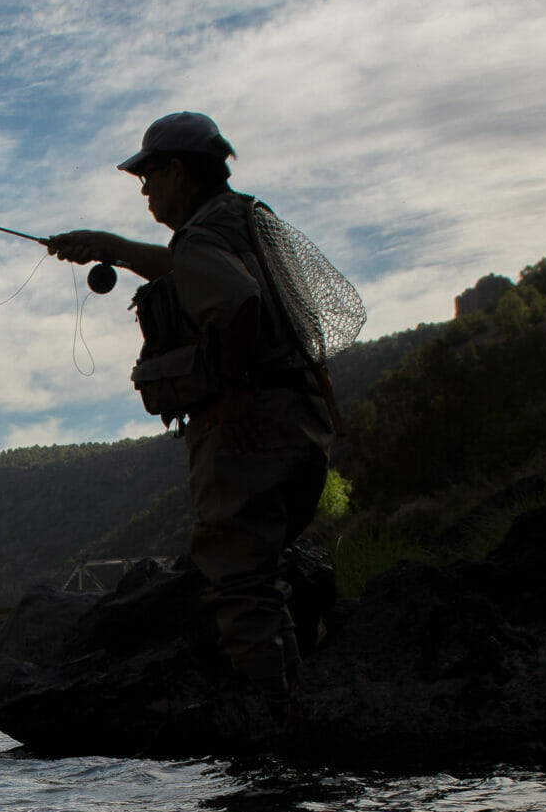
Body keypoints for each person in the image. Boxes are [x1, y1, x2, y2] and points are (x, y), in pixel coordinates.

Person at [46, 112, 334, 697]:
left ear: (177, 170)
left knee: (241, 585)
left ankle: (270, 755)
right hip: (302, 422)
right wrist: (113, 248)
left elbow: (238, 303)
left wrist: (230, 394)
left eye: (149, 175)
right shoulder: (244, 221)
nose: (145, 189)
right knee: (264, 575)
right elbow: (195, 269)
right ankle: (300, 728)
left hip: (250, 431)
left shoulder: (204, 237)